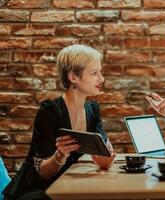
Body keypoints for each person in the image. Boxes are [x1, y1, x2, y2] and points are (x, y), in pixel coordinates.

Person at [3, 44, 116, 200]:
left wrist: (105, 160)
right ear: (73, 77)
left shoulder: (93, 110)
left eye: (100, 72)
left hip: (69, 188)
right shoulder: (50, 111)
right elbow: (41, 172)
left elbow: (103, 155)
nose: (101, 79)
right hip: (37, 191)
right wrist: (59, 157)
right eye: (95, 73)